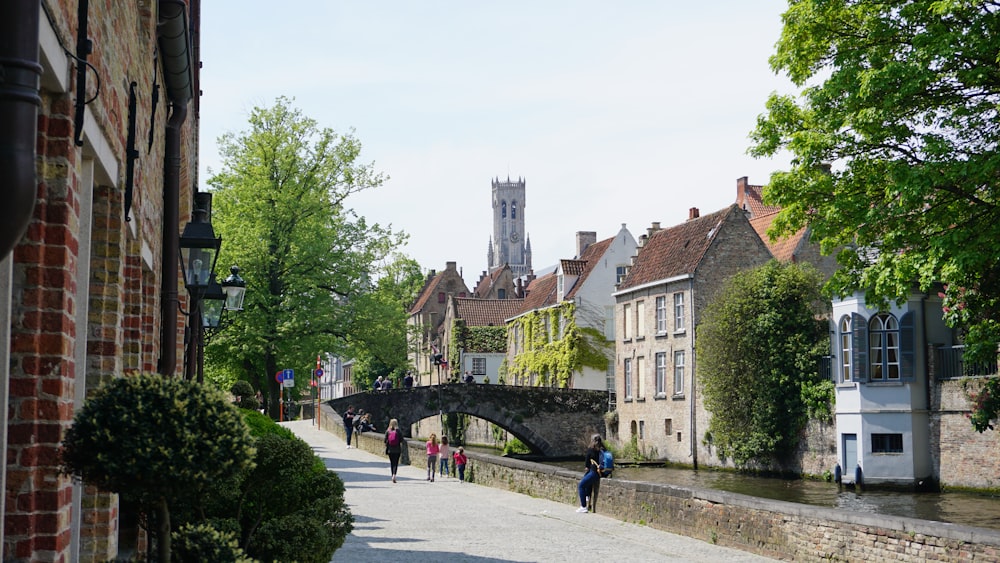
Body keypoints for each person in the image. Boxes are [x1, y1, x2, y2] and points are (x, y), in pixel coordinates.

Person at [576, 434, 604, 513]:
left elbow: (587, 464)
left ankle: (583, 506)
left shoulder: (591, 449)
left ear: (592, 441)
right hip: (601, 472)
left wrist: (587, 467)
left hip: (594, 472)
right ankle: (587, 496)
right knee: (587, 482)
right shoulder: (603, 449)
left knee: (581, 485)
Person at [384, 418, 405, 483]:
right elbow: (401, 440)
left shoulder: (388, 431)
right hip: (397, 449)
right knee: (396, 463)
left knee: (392, 463)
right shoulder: (398, 431)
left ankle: (392, 475)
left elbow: (385, 440)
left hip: (390, 450)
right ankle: (394, 474)